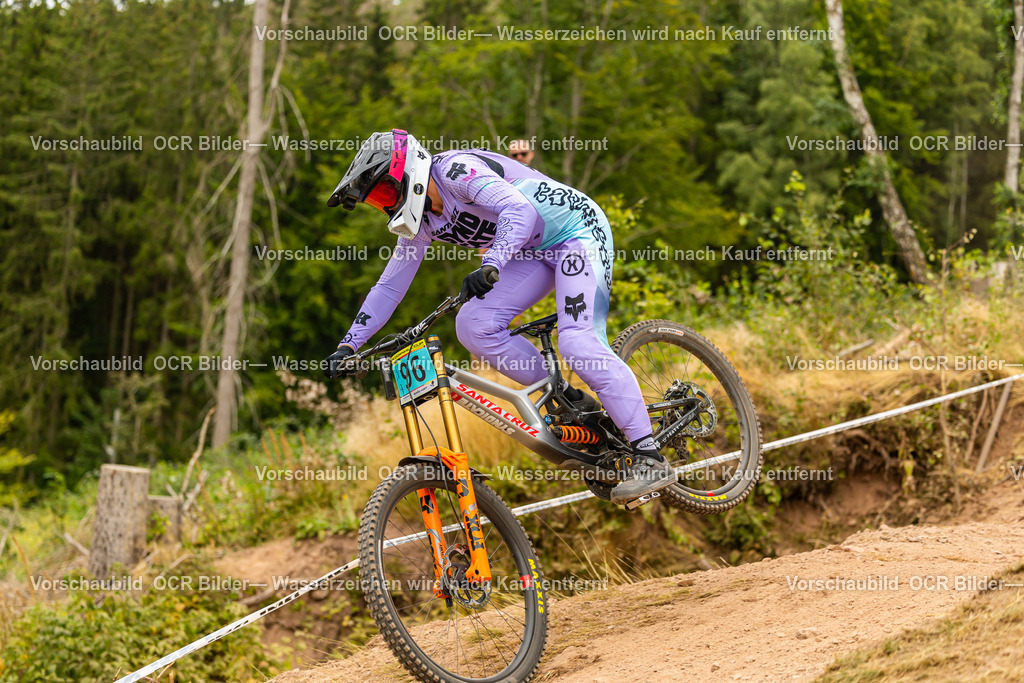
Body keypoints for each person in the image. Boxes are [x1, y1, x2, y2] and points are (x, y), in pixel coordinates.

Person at [323, 129, 676, 503]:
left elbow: (518, 210)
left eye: (384, 193)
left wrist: (492, 262)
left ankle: (650, 455)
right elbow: (389, 288)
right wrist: (349, 346)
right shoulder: (423, 224)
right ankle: (571, 400)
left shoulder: (457, 172)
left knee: (577, 342)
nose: (385, 206)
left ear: (409, 171)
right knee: (474, 325)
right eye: (377, 201)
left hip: (576, 233)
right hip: (529, 252)